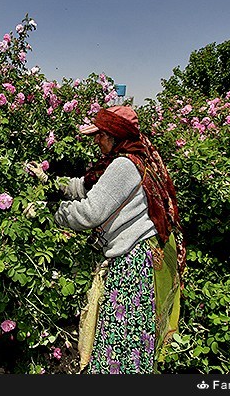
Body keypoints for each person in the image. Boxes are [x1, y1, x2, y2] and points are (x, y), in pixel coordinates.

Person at [49, 105, 186, 374]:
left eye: (101, 134)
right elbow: (88, 186)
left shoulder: (124, 165)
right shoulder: (136, 157)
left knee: (122, 334)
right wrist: (52, 182)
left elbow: (90, 213)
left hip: (135, 260)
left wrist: (50, 212)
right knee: (136, 332)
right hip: (149, 250)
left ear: (115, 135)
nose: (96, 140)